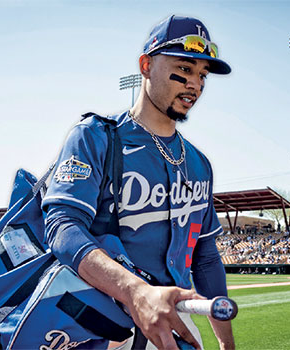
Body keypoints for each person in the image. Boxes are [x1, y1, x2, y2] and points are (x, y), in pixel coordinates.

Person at [43, 15, 234, 350]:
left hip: (174, 316)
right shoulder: (96, 136)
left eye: (203, 76)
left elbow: (204, 257)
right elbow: (62, 226)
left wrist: (227, 344)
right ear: (146, 65)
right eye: (186, 69)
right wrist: (135, 292)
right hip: (102, 321)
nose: (196, 85)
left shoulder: (199, 163)